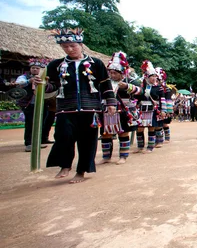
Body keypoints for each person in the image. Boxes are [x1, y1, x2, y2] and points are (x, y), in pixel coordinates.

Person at [39, 28, 117, 183]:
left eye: (72, 46)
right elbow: (52, 87)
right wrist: (41, 85)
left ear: (81, 45)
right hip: (65, 108)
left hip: (90, 109)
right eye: (65, 47)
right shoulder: (56, 65)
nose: (69, 49)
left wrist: (110, 102)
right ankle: (65, 165)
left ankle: (81, 171)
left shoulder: (96, 64)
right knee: (63, 137)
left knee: (87, 141)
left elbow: (105, 84)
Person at [100, 52, 141, 164]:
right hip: (107, 110)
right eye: (111, 72)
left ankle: (123, 156)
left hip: (123, 112)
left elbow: (139, 91)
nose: (112, 75)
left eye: (115, 73)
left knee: (123, 133)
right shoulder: (105, 82)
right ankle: (106, 157)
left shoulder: (130, 81)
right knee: (105, 133)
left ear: (122, 73)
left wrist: (127, 87)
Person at [16, 58, 54, 152]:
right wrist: (30, 81)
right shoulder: (24, 77)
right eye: (33, 68)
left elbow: (51, 88)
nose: (35, 70)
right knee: (30, 123)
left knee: (41, 123)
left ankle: (38, 142)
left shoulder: (45, 77)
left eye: (37, 68)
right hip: (29, 104)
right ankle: (29, 143)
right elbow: (19, 83)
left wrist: (46, 83)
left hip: (42, 103)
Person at [134, 61, 165, 153]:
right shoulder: (141, 88)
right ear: (147, 77)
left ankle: (150, 147)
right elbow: (136, 98)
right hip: (142, 110)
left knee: (151, 127)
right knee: (140, 128)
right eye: (152, 76)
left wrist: (163, 110)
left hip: (153, 110)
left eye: (155, 76)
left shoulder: (159, 88)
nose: (154, 78)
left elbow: (162, 100)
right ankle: (140, 147)